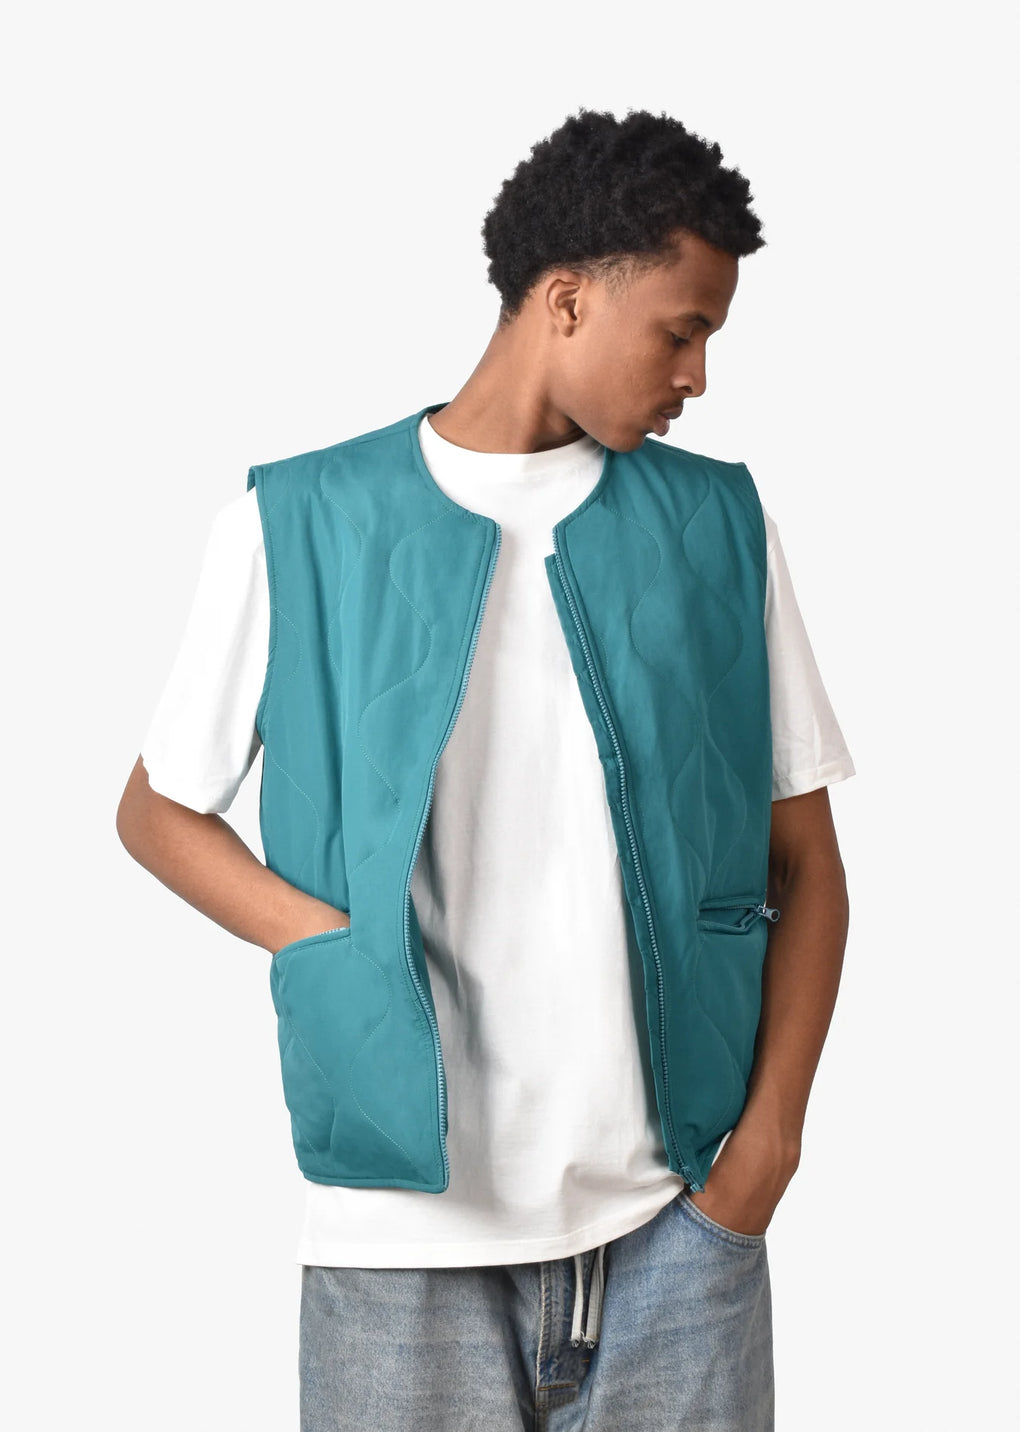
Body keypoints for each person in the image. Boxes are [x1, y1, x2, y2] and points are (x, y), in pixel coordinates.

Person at [116, 106, 854, 1431]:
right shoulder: (299, 523)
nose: (697, 376)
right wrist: (324, 943)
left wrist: (768, 1153)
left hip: (677, 1228)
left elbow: (805, 859)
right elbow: (159, 811)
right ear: (567, 300)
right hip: (397, 1243)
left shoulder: (718, 524)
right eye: (681, 332)